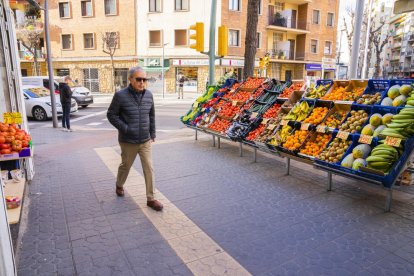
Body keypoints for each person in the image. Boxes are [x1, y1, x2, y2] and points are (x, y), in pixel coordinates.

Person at [107, 66, 163, 211]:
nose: (142, 82)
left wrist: (153, 133)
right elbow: (111, 115)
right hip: (128, 141)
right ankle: (119, 184)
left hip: (145, 140)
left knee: (149, 168)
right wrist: (126, 129)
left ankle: (151, 198)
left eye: (145, 79)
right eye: (139, 79)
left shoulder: (149, 95)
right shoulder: (120, 95)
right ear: (130, 79)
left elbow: (151, 115)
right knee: (125, 166)